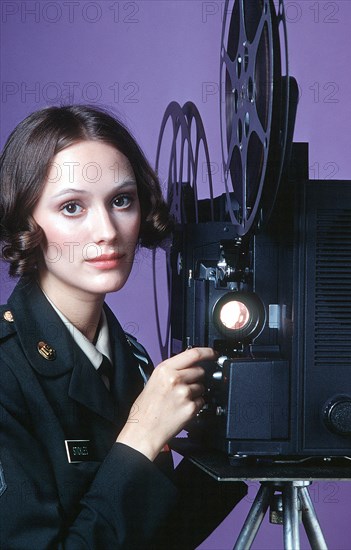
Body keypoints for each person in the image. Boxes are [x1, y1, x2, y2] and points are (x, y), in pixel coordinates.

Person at [0, 105, 247, 549]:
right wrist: (141, 435)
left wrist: (230, 446)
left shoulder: (130, 359)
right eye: (72, 207)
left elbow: (150, 539)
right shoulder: (6, 372)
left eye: (121, 200)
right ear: (25, 222)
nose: (108, 231)